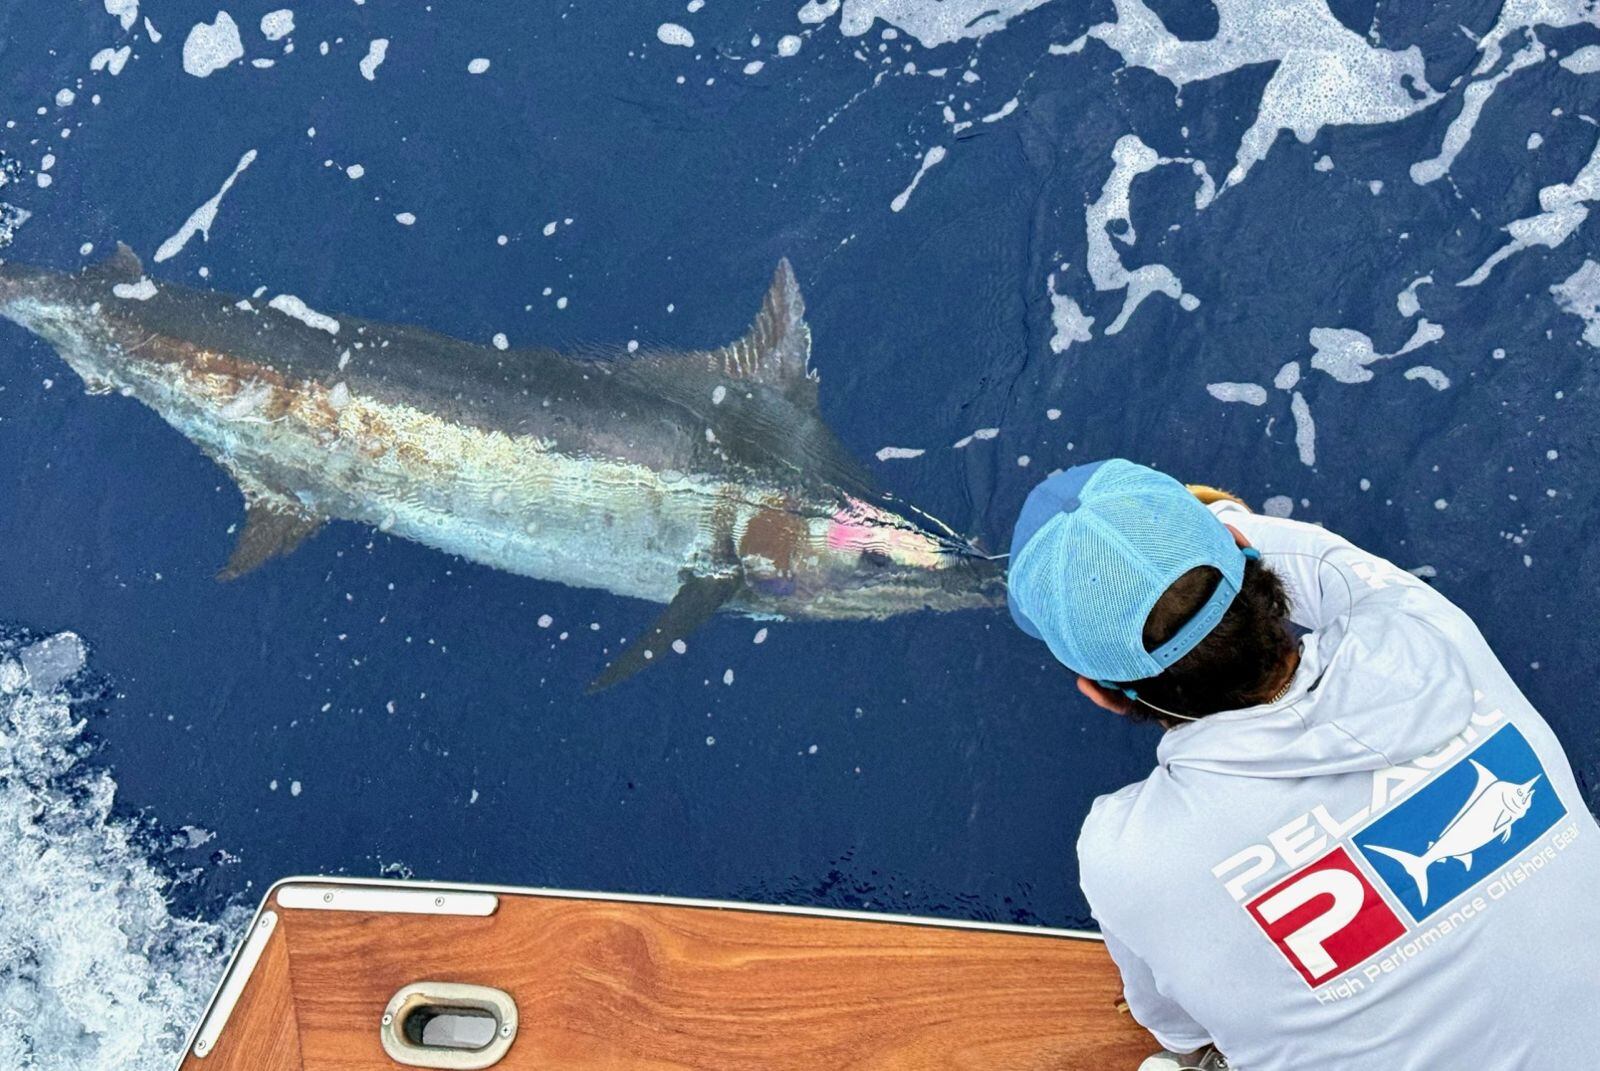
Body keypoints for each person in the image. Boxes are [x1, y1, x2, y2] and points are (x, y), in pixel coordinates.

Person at [1006, 458, 1600, 1071]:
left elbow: (1181, 1032)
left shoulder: (1123, 854)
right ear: (1244, 547)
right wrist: (1210, 522)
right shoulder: (1432, 638)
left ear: (1099, 692)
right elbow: (1321, 561)